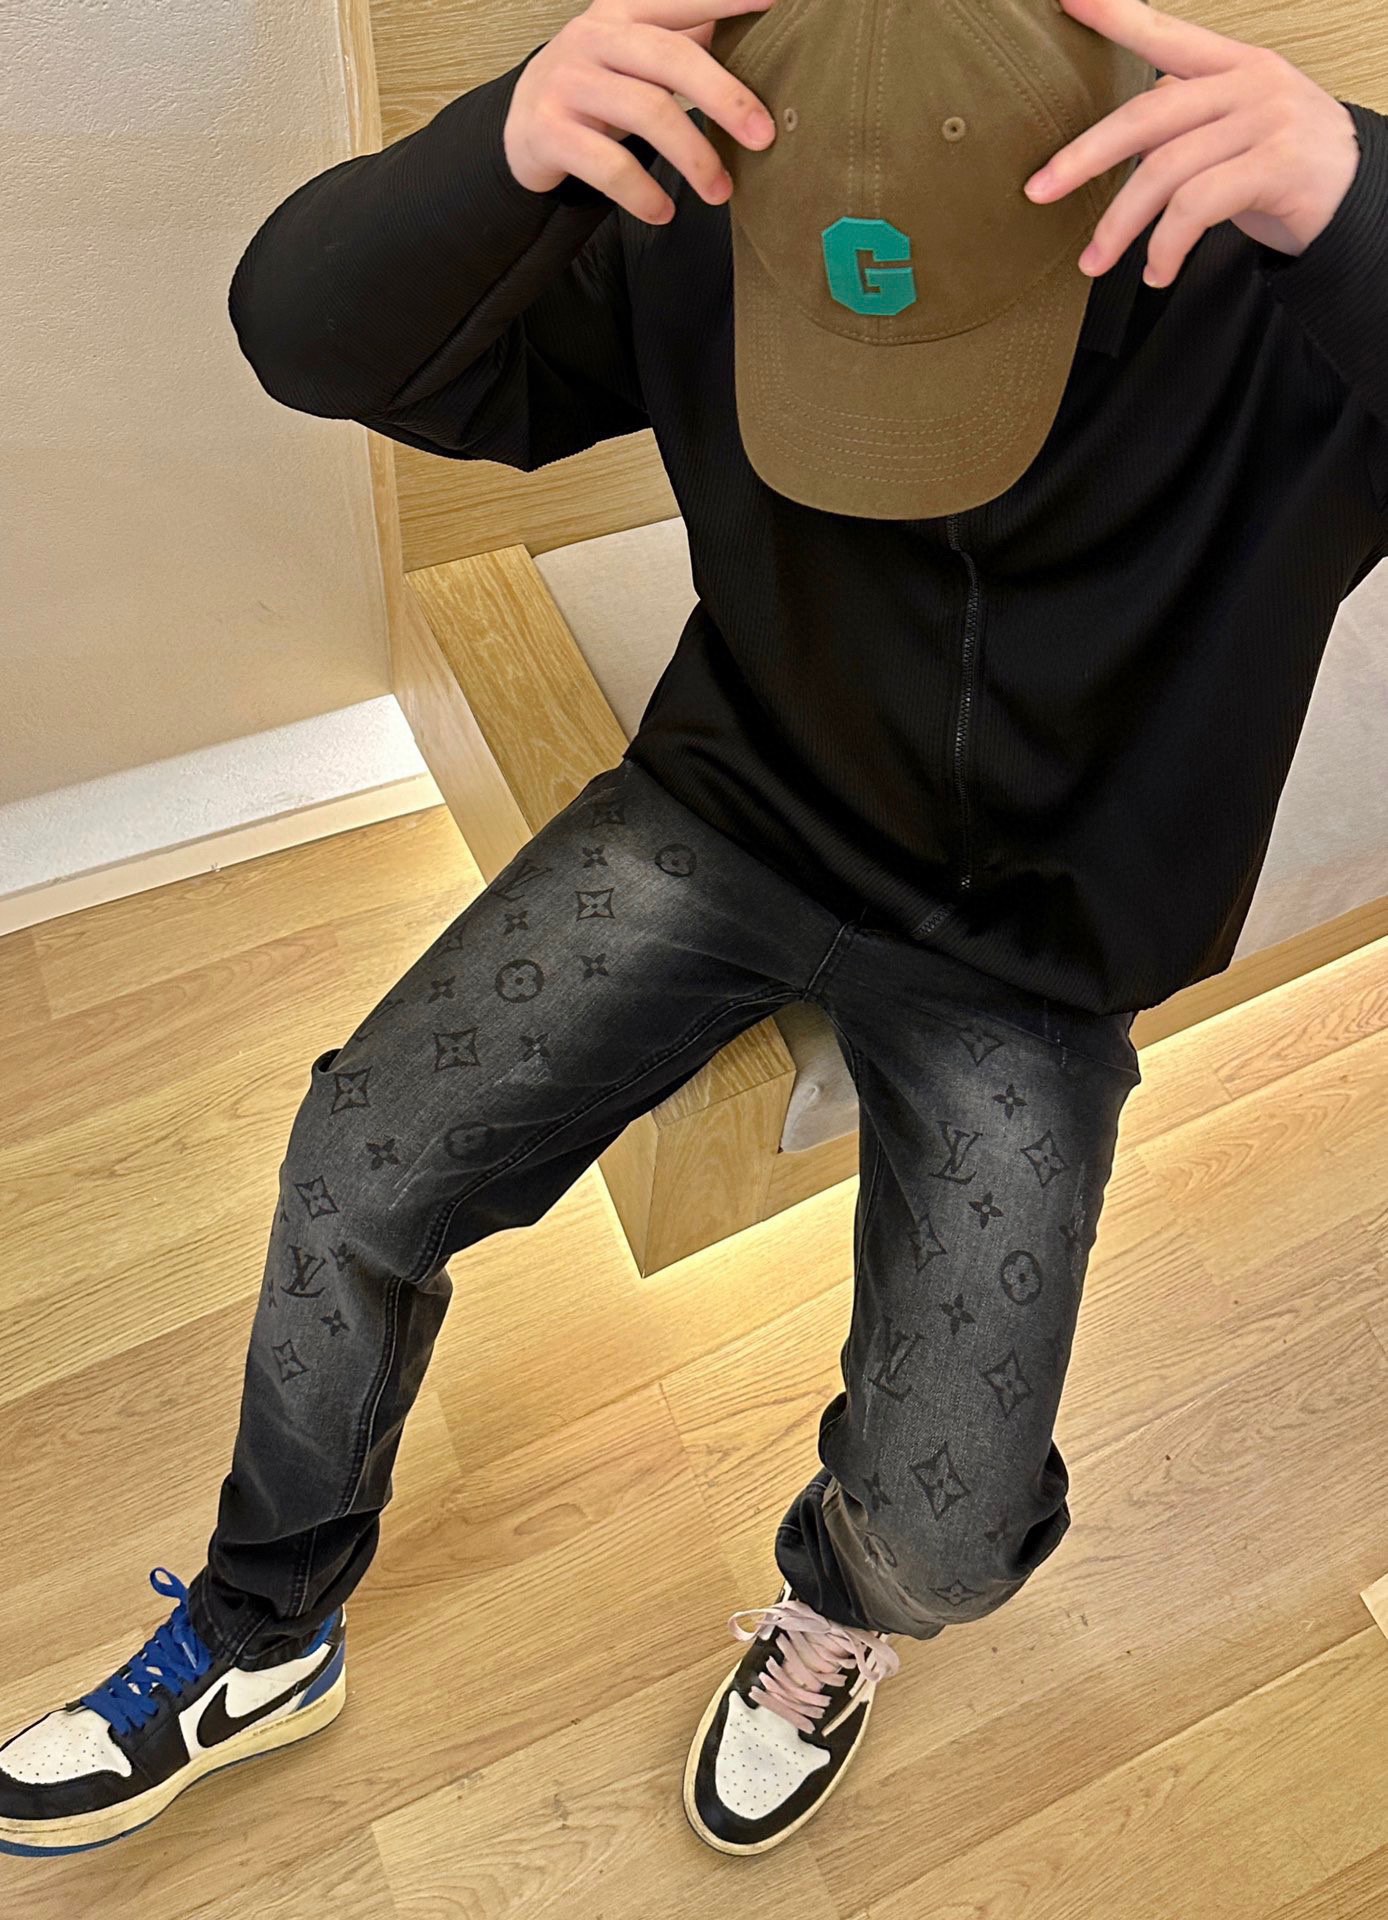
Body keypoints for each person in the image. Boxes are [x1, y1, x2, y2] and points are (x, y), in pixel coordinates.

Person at [3, 0, 1382, 1864]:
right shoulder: (724, 206)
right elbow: (303, 335)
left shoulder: (1288, 298)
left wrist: (1364, 199)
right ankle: (264, 1634)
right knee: (357, 1162)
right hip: (732, 816)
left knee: (946, 1543)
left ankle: (838, 1614)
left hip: (1034, 951)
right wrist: (506, 136)